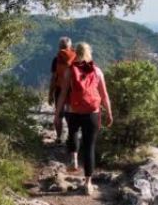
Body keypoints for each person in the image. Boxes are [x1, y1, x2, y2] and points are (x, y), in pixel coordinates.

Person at [54, 42, 113, 195]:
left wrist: (57, 114)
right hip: (92, 112)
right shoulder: (97, 71)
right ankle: (88, 183)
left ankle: (73, 158)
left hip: (73, 110)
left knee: (73, 131)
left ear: (76, 53)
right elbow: (104, 95)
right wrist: (109, 112)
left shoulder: (69, 70)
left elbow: (63, 94)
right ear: (89, 53)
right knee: (89, 147)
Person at [48, 37, 77, 144]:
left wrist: (50, 94)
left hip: (60, 89)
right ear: (70, 46)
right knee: (71, 113)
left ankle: (59, 138)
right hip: (73, 90)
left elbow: (53, 78)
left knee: (59, 114)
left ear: (59, 47)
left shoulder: (57, 59)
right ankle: (71, 137)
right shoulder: (76, 58)